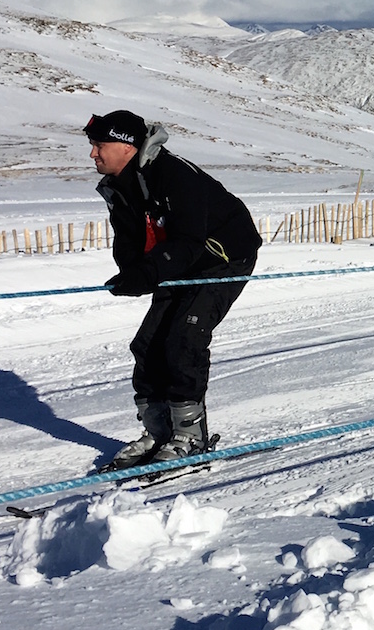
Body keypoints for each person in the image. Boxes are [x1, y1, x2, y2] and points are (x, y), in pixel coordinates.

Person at [85, 110, 262, 471]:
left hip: (223, 258)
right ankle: (159, 431)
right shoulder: (119, 185)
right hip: (182, 262)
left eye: (100, 145)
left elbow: (188, 240)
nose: (93, 153)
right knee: (147, 343)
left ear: (127, 146)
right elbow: (129, 240)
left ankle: (190, 436)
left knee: (184, 339)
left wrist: (147, 273)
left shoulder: (174, 175)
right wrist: (131, 274)